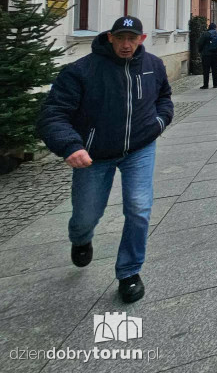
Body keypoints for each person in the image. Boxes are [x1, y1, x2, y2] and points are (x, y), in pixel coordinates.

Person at [36, 16, 172, 304]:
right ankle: (81, 238)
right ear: (109, 37)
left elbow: (164, 98)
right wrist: (71, 146)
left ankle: (129, 272)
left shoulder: (153, 66)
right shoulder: (81, 71)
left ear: (142, 39)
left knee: (138, 207)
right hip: (93, 155)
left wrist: (159, 123)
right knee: (86, 214)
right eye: (121, 38)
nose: (126, 45)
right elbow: (54, 114)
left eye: (132, 39)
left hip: (139, 148)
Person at [196, 22, 217, 89]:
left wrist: (200, 51)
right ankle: (215, 84)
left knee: (206, 70)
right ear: (215, 27)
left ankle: (206, 85)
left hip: (206, 54)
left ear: (209, 27)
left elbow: (200, 43)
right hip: (215, 54)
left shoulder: (205, 34)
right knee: (215, 69)